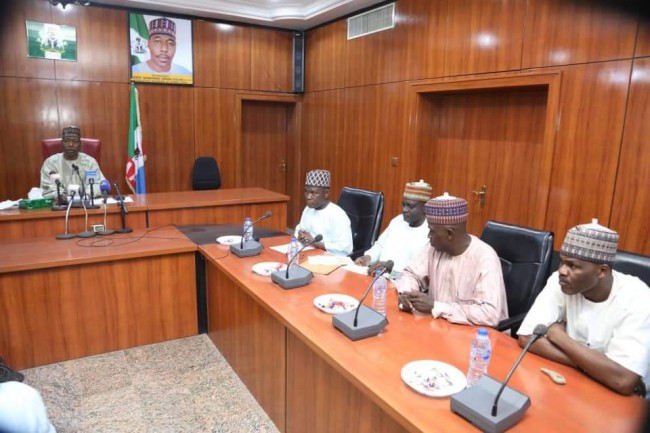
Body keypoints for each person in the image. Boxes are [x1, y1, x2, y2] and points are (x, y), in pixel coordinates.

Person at [518, 220, 650, 397]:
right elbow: (527, 338)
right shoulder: (560, 280)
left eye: (573, 266)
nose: (563, 271)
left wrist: (559, 336)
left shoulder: (638, 297)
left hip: (623, 400)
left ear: (602, 271)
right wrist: (591, 366)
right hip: (572, 382)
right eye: (562, 262)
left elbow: (623, 380)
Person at [395, 192, 508, 326]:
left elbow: (489, 314)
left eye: (432, 231)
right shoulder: (434, 248)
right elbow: (411, 274)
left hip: (478, 339)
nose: (428, 235)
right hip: (440, 328)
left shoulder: (484, 257)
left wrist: (436, 307)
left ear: (449, 233)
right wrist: (408, 295)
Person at [354, 179, 432, 278]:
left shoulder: (430, 232)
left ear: (425, 208)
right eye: (403, 204)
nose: (404, 210)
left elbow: (420, 274)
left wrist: (391, 271)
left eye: (410, 206)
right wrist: (368, 257)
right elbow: (380, 245)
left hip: (403, 285)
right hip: (378, 278)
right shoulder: (397, 221)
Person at [294, 169, 353, 256]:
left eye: (314, 193)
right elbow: (300, 229)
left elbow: (345, 249)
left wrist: (314, 243)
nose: (308, 197)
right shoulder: (308, 209)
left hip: (331, 261)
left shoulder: (337, 215)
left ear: (326, 193)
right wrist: (300, 236)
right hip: (309, 254)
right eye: (306, 191)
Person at [39, 126, 106, 199]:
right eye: (66, 141)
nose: (70, 144)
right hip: (60, 206)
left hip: (86, 204)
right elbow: (48, 187)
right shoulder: (51, 163)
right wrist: (60, 196)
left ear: (80, 144)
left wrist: (86, 195)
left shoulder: (90, 162)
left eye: (75, 141)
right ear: (62, 143)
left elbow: (97, 183)